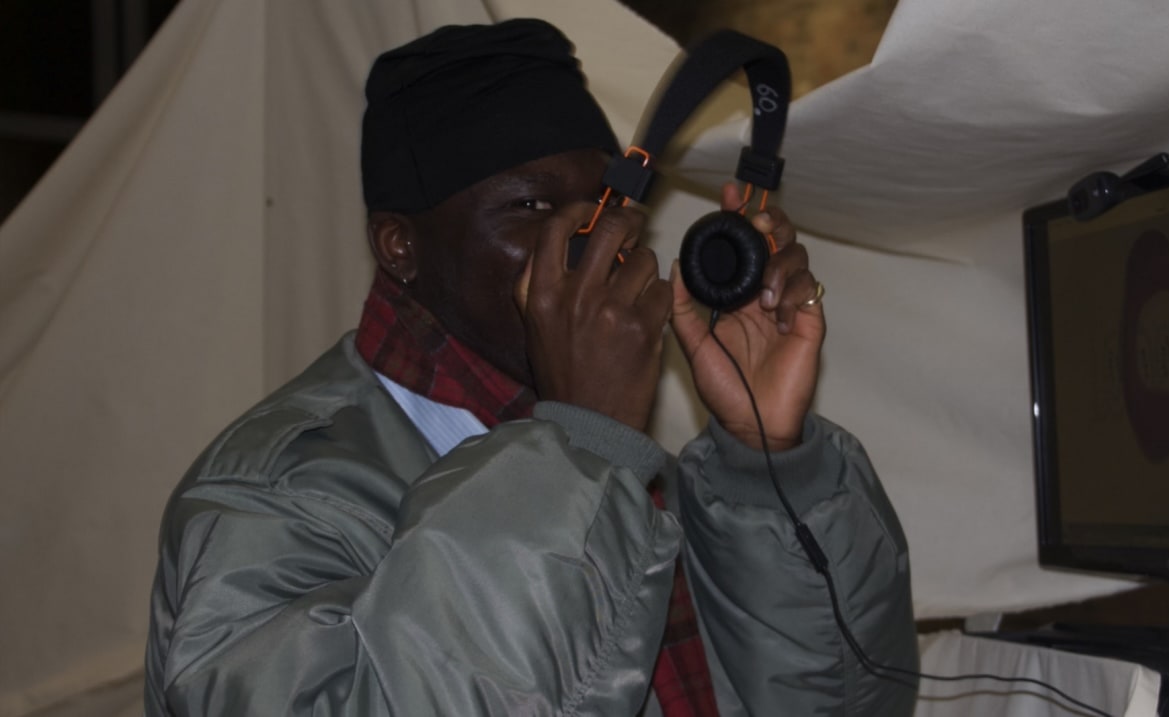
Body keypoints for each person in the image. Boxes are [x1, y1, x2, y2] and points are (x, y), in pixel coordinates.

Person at [144, 18, 918, 716]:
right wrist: (579, 448)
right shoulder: (269, 500)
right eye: (532, 209)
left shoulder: (634, 476)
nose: (588, 245)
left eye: (606, 206)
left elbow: (853, 701)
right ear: (400, 247)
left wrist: (764, 461)